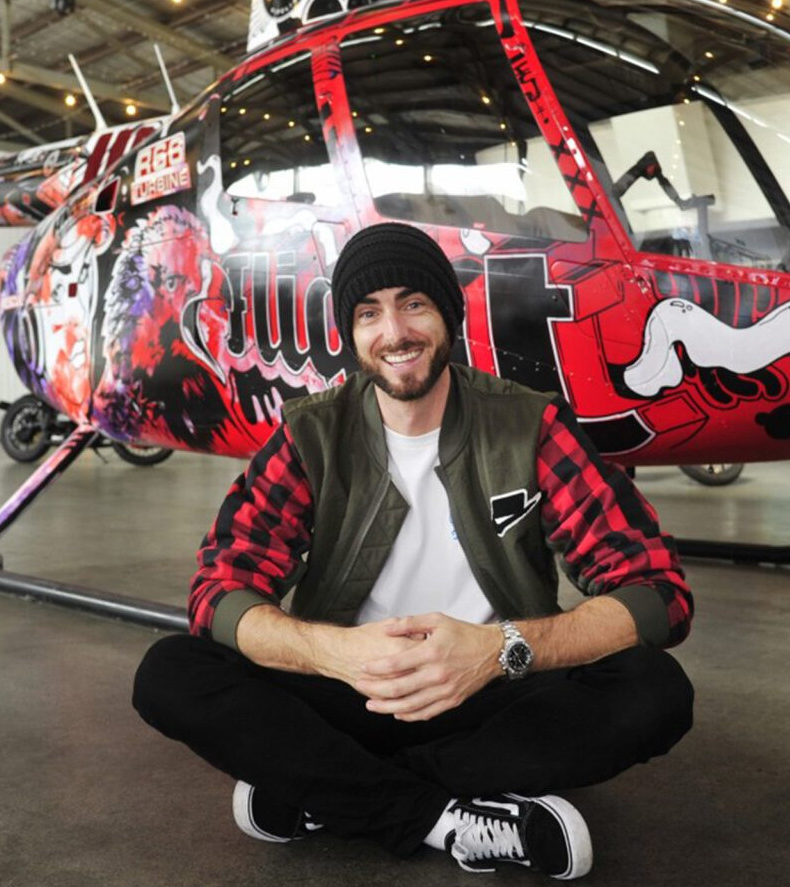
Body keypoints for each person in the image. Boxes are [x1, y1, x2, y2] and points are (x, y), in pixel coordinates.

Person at [133, 222, 694, 880]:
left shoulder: (528, 424)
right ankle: (450, 817)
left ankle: (326, 789)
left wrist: (500, 648)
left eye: (413, 303)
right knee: (170, 670)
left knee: (654, 690)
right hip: (348, 694)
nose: (394, 331)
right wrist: (335, 651)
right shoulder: (312, 434)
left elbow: (656, 592)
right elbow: (218, 592)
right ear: (352, 332)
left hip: (492, 691)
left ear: (446, 315)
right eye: (369, 313)